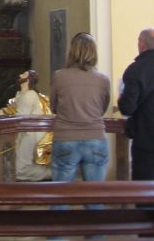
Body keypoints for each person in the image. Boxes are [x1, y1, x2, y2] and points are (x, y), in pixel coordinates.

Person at [50, 32, 110, 188]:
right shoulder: (103, 79)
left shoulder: (59, 76)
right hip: (95, 136)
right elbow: (102, 108)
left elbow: (53, 107)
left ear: (71, 51)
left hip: (65, 137)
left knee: (60, 196)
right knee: (95, 196)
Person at [0, 70, 52, 181]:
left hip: (30, 134)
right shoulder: (21, 94)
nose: (20, 75)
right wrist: (2, 112)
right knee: (18, 167)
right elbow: (13, 110)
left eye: (23, 74)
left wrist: (2, 115)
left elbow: (19, 118)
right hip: (25, 133)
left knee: (19, 170)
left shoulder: (29, 95)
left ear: (29, 79)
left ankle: (53, 172)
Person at [118, 27, 154, 180]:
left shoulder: (136, 70)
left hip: (145, 141)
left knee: (144, 190)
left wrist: (121, 100)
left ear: (141, 45)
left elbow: (127, 108)